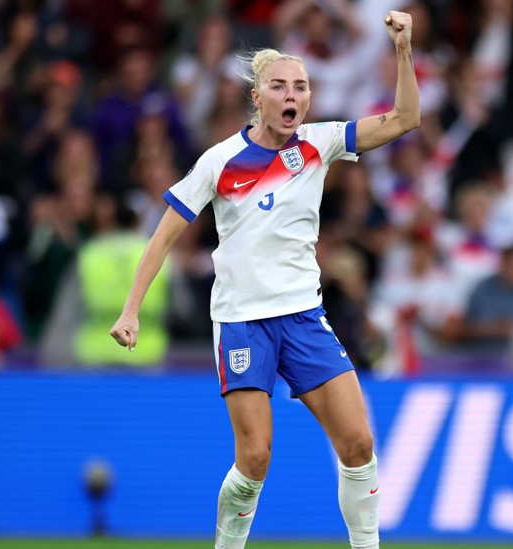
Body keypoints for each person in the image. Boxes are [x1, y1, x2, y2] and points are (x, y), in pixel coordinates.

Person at [109, 12, 419, 549]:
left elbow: (404, 119)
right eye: (279, 85)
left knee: (359, 443)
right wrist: (131, 308)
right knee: (253, 460)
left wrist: (403, 49)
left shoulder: (320, 144)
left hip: (303, 316)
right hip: (242, 322)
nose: (290, 93)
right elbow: (162, 238)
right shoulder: (219, 161)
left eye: (300, 86)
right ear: (257, 98)